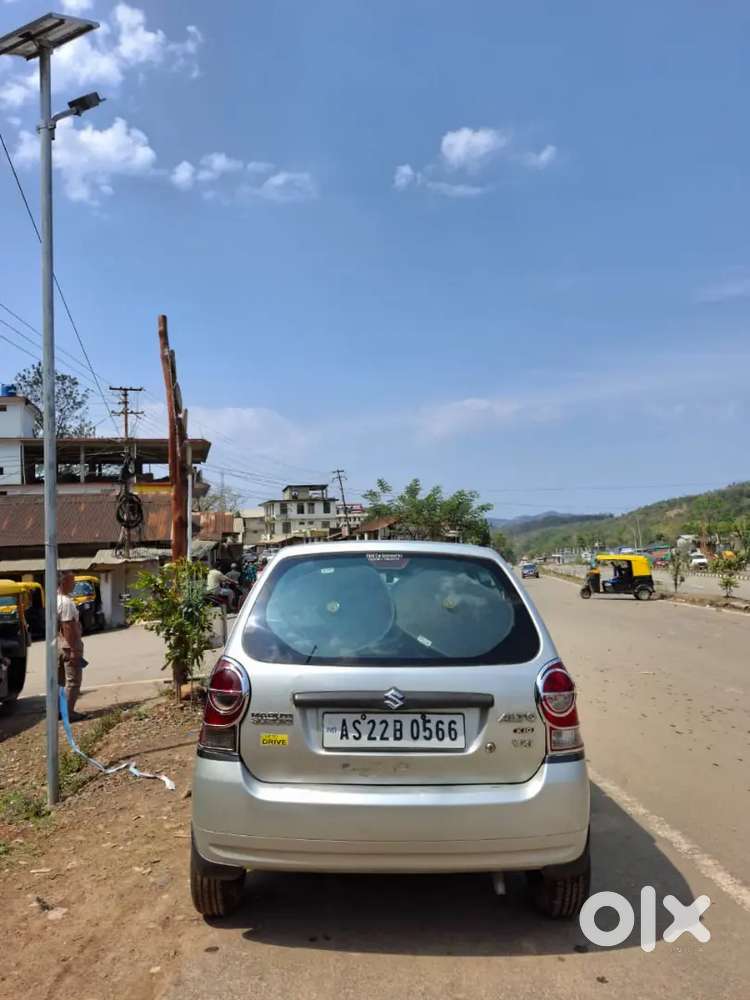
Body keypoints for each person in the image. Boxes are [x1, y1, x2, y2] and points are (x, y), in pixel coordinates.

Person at [57, 570, 86, 721]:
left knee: (61, 682)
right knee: (73, 681)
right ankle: (68, 713)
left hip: (58, 645)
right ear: (64, 582)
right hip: (69, 646)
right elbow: (67, 626)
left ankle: (60, 711)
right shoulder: (66, 602)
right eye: (72, 581)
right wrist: (74, 650)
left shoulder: (55, 599)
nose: (74, 584)